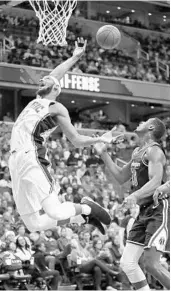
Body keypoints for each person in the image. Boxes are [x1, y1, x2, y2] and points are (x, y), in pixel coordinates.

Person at [9, 38, 112, 234]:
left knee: (55, 212)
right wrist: (74, 57)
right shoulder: (39, 99)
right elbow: (56, 74)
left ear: (55, 89)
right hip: (15, 160)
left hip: (32, 156)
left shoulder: (56, 108)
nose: (42, 79)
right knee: (34, 225)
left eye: (46, 80)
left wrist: (98, 139)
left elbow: (75, 139)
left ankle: (87, 207)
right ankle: (82, 219)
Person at [94, 118, 170, 290]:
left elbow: (156, 181)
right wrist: (103, 153)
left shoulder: (154, 151)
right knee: (127, 263)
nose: (139, 122)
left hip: (158, 209)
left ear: (150, 128)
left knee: (152, 264)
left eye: (144, 121)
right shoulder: (138, 151)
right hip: (143, 211)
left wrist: (134, 196)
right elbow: (121, 177)